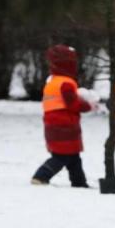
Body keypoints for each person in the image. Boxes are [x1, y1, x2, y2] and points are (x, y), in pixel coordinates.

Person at [31, 45, 92, 187]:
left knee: (73, 156)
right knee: (62, 156)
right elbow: (72, 104)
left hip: (52, 124)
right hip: (65, 126)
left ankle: (79, 182)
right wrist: (88, 106)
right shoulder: (66, 83)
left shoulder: (52, 81)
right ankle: (41, 176)